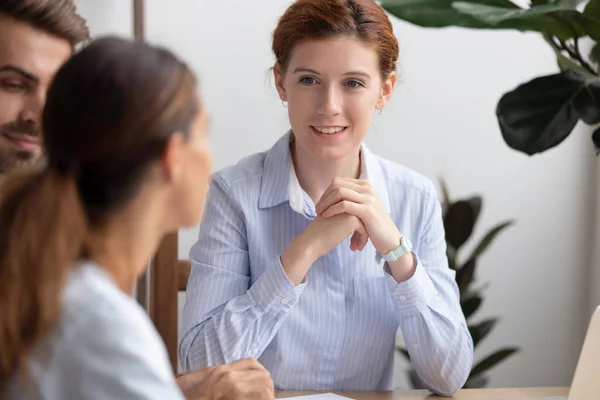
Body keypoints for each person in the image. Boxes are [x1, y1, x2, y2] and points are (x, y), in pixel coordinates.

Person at [179, 0, 473, 396]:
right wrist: (305, 249)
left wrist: (396, 252)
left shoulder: (413, 198)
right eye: (308, 80)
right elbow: (201, 367)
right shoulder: (234, 195)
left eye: (353, 83)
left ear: (384, 90)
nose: (329, 107)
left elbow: (449, 377)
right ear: (281, 83)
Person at [0, 36, 274, 400]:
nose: (211, 159)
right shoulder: (102, 326)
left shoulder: (66, 292)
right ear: (172, 156)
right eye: (204, 133)